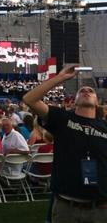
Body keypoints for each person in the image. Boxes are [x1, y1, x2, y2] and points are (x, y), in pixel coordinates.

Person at [23, 65, 107, 223]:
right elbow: (29, 99)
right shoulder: (62, 118)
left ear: (97, 102)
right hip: (66, 207)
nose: (86, 91)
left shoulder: (105, 127)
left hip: (100, 208)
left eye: (91, 91)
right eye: (81, 91)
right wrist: (60, 78)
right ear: (74, 101)